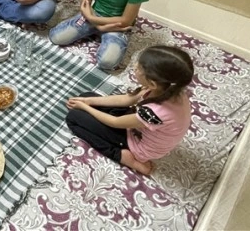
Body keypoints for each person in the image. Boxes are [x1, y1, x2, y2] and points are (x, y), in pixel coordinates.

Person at [65, 45, 194, 175]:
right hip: (138, 124)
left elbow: (115, 122)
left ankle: (124, 157)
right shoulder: (168, 88)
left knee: (73, 118)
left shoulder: (154, 113)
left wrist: (85, 107)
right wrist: (89, 102)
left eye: (138, 68)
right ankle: (89, 104)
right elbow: (128, 99)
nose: (135, 67)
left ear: (153, 83)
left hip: (137, 145)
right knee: (86, 96)